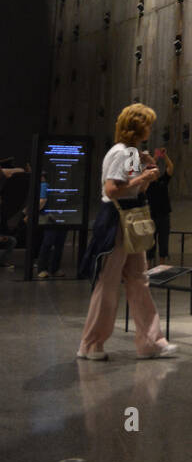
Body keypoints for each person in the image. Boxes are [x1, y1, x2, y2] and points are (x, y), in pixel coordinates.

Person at [77, 104, 177, 360]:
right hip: (115, 222)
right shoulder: (122, 153)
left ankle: (151, 342)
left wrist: (146, 176)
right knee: (108, 284)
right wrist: (141, 178)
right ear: (138, 126)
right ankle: (91, 345)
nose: (151, 129)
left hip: (129, 219)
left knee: (139, 281)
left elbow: (133, 189)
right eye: (148, 124)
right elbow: (112, 189)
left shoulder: (131, 153)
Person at [36, 172, 68, 279]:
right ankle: (54, 269)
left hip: (49, 218)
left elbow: (42, 200)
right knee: (57, 244)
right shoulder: (52, 186)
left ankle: (42, 269)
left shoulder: (44, 185)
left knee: (49, 243)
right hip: (60, 216)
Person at [146, 147, 173, 268]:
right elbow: (148, 167)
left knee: (163, 241)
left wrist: (164, 156)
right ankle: (148, 266)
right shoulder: (146, 183)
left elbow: (170, 168)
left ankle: (161, 266)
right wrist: (155, 158)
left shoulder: (163, 180)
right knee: (150, 242)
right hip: (152, 215)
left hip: (164, 215)